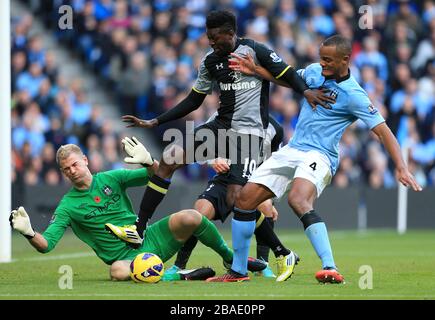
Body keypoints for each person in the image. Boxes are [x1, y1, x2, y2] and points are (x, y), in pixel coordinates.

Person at [108, 10, 333, 282]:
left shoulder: (255, 50)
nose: (212, 42)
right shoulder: (211, 60)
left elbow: (285, 72)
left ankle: (278, 252)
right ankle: (140, 227)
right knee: (169, 158)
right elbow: (194, 99)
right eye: (208, 37)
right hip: (221, 128)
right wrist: (156, 121)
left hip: (249, 135)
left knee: (240, 200)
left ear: (230, 33)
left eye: (216, 37)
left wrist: (305, 91)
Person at [206, 35, 423, 283]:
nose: (323, 64)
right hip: (293, 149)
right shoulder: (313, 71)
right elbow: (289, 79)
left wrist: (401, 167)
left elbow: (383, 131)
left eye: (329, 60)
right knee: (244, 200)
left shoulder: (354, 95)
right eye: (321, 59)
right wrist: (255, 70)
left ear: (345, 60)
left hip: (320, 154)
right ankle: (238, 272)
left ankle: (330, 267)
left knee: (298, 199)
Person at [9, 138, 266, 281]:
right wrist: (30, 232)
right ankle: (182, 275)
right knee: (117, 272)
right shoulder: (67, 206)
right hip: (128, 259)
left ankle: (229, 256)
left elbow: (155, 176)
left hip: (148, 237)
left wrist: (149, 161)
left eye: (74, 164)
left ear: (85, 160)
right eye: (66, 169)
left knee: (192, 216)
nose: (71, 171)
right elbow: (48, 245)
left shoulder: (111, 178)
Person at [164, 115, 299, 282]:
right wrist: (213, 159)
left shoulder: (275, 129)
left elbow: (274, 165)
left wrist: (270, 197)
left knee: (265, 206)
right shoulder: (223, 114)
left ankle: (262, 264)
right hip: (225, 178)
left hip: (253, 180)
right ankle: (179, 265)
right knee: (200, 211)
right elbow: (200, 143)